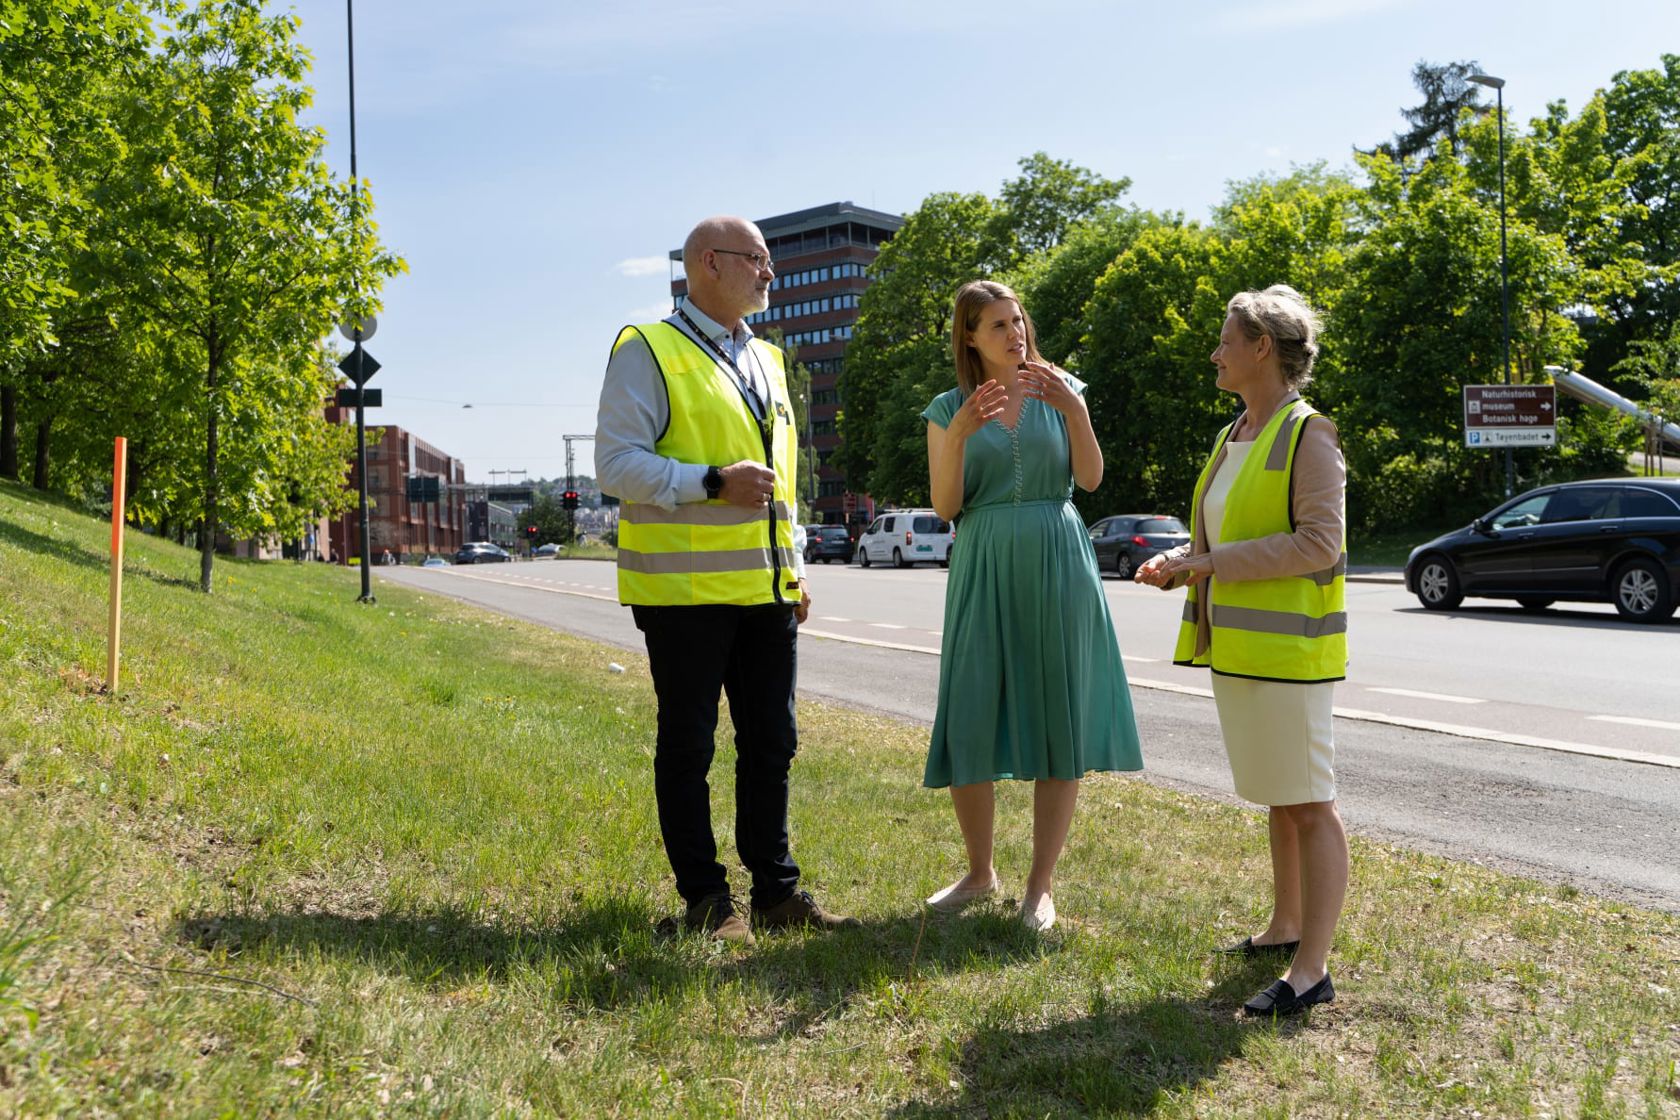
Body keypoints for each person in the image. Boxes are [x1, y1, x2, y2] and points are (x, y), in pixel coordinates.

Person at [594, 215, 852, 948]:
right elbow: (615, 465)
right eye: (758, 260)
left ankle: (776, 892)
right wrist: (711, 483)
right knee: (690, 746)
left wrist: (793, 570)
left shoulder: (767, 359)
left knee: (773, 742)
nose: (770, 273)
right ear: (710, 262)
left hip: (766, 594)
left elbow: (784, 484)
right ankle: (706, 901)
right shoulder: (649, 349)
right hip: (683, 596)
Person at [1135, 284, 1349, 1017]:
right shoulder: (1233, 436)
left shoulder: (1309, 433)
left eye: (1228, 340)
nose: (1216, 352)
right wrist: (1179, 564)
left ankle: (1313, 968)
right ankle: (1285, 925)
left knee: (1310, 804)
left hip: (1291, 656)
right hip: (1241, 651)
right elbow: (1219, 540)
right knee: (1278, 796)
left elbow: (1320, 544)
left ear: (1263, 348)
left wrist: (1210, 564)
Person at [920, 280, 1143, 932]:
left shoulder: (1061, 388)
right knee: (970, 710)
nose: (1015, 334)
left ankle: (1039, 887)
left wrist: (1075, 411)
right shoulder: (947, 407)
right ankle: (979, 870)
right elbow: (946, 505)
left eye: (1017, 322)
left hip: (1057, 556)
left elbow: (1093, 478)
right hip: (984, 559)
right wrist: (959, 431)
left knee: (1058, 717)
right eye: (997, 326)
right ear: (969, 337)